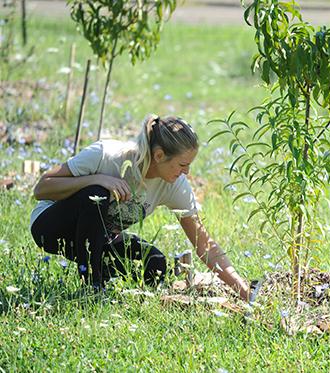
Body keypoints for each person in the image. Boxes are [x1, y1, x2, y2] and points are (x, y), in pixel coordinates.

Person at [30, 114, 250, 301]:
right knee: (95, 194)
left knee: (155, 264)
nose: (187, 173)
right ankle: (92, 287)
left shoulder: (174, 185)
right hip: (50, 228)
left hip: (99, 238)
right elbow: (42, 188)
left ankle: (105, 278)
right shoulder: (107, 154)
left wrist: (244, 291)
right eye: (183, 165)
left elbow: (205, 246)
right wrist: (97, 179)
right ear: (159, 155)